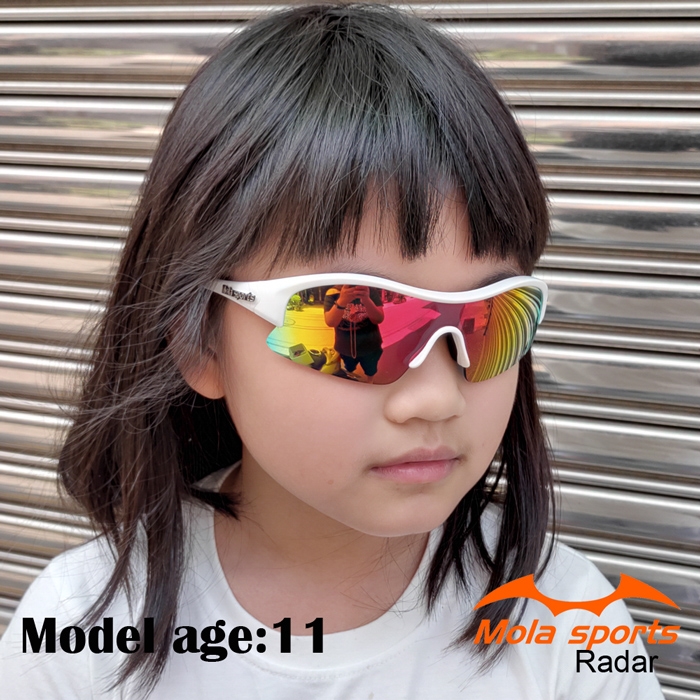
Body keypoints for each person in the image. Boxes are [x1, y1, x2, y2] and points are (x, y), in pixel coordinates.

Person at [0, 5, 665, 699]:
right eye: (357, 327)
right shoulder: (81, 633)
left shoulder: (566, 620)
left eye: (489, 319)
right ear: (200, 342)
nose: (437, 397)